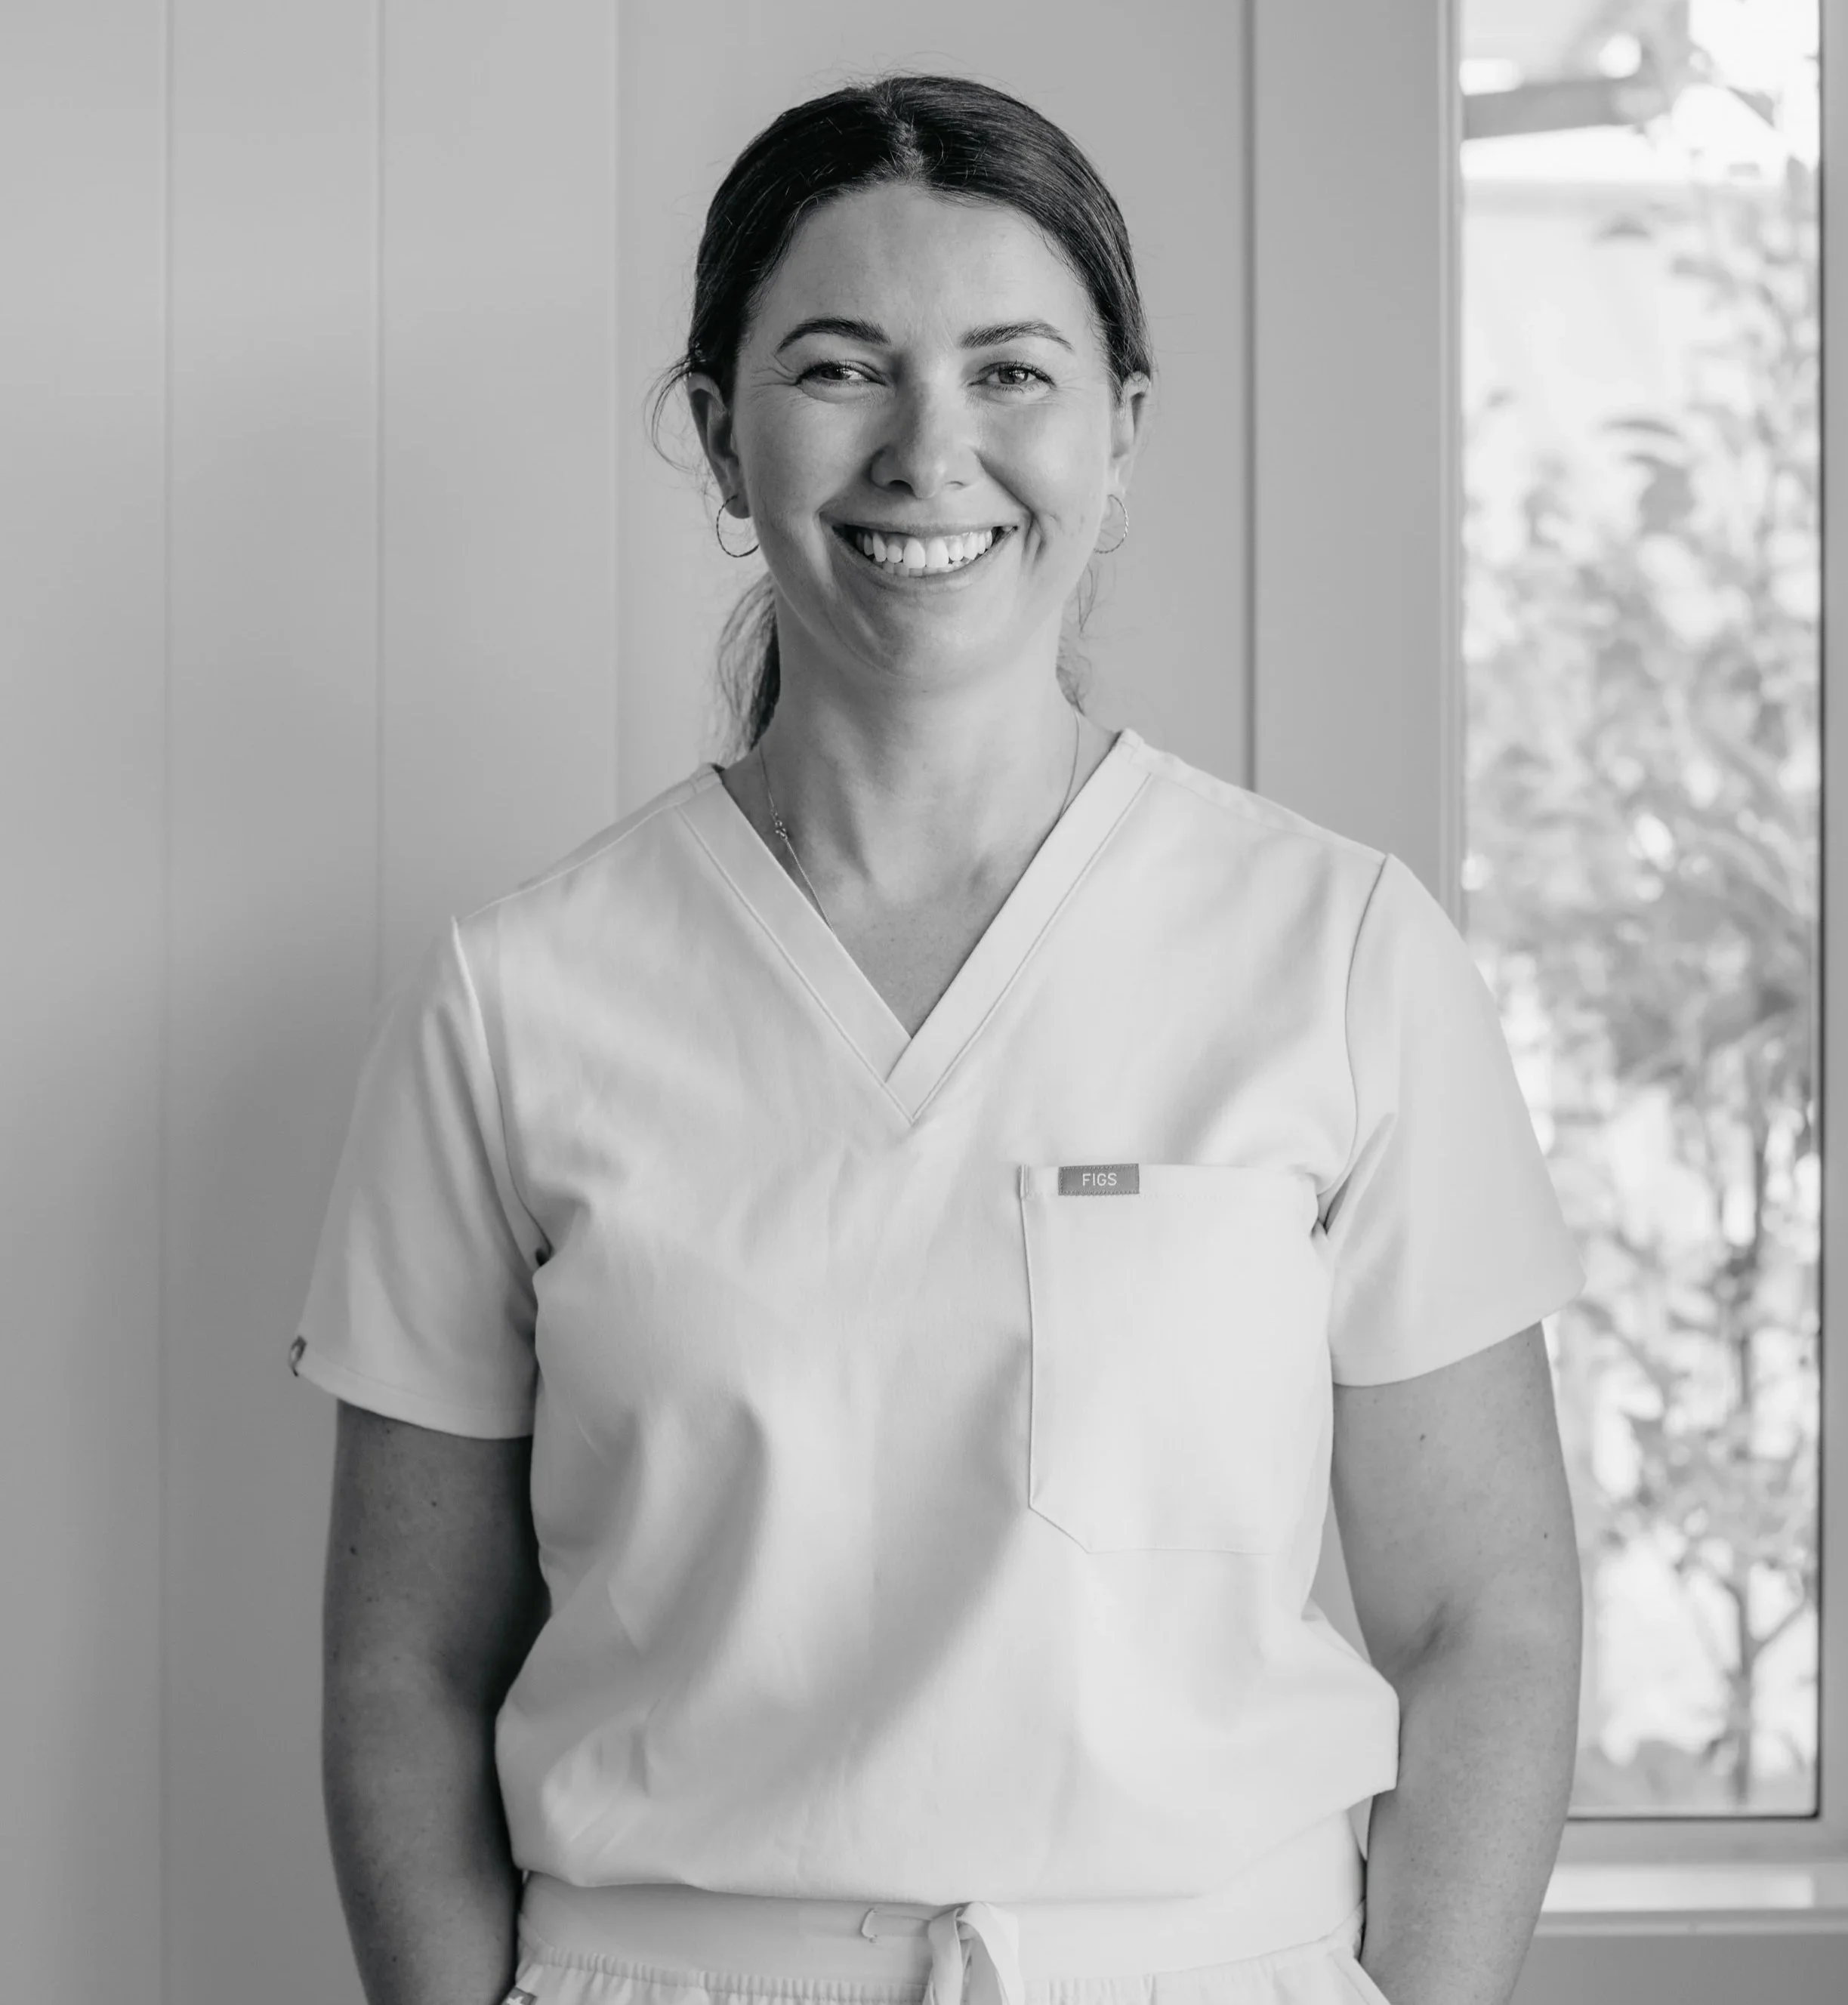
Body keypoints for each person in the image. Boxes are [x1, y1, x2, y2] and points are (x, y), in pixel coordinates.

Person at [294, 72, 1587, 2005]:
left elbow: (1485, 1612)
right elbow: (405, 1664)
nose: (929, 449)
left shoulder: (1336, 956)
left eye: (1008, 373)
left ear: (1118, 433)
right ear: (720, 439)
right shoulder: (514, 999)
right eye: (839, 370)